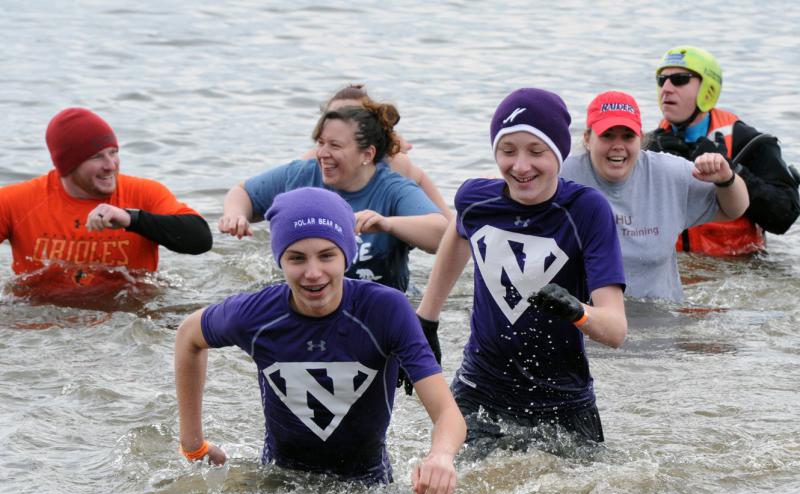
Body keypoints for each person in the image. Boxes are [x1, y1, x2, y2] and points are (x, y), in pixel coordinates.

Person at [176, 187, 465, 494]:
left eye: (327, 255)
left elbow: (447, 413)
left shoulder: (386, 311)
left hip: (368, 488)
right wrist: (193, 444)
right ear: (279, 259)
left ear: (347, 254)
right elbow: (189, 335)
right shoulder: (256, 314)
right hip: (280, 484)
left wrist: (440, 456)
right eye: (297, 258)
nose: (313, 273)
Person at [416, 88, 627, 454]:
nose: (521, 166)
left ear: (559, 154)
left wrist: (578, 311)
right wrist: (426, 320)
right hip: (479, 389)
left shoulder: (587, 210)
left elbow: (616, 330)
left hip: (563, 403)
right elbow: (459, 231)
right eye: (508, 151)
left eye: (536, 151)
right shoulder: (476, 199)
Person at [219, 100, 448, 293]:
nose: (322, 154)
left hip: (376, 303)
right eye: (320, 143)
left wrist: (387, 224)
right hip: (308, 297)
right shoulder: (301, 175)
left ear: (367, 154)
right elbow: (243, 192)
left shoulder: (393, 189)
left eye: (335, 146)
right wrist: (235, 214)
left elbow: (441, 233)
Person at [561, 91, 749, 303]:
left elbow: (734, 209)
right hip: (587, 321)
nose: (618, 145)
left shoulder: (669, 173)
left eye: (628, 136)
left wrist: (726, 178)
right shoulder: (562, 177)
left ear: (640, 139)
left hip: (660, 319)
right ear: (587, 139)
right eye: (607, 135)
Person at [0, 107, 213, 293]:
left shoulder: (144, 194)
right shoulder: (16, 202)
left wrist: (131, 219)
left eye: (113, 152)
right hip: (41, 325)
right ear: (67, 166)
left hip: (127, 320)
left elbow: (201, 239)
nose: (111, 165)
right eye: (96, 157)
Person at [646, 46, 800, 256]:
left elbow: (784, 216)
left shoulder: (750, 142)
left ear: (707, 89)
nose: (667, 88)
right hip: (676, 269)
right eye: (661, 80)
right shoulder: (649, 145)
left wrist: (731, 171)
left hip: (739, 267)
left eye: (680, 80)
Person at [301, 83, 453, 220]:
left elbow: (450, 227)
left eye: (350, 115)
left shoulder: (396, 164)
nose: (338, 123)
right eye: (332, 117)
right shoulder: (311, 162)